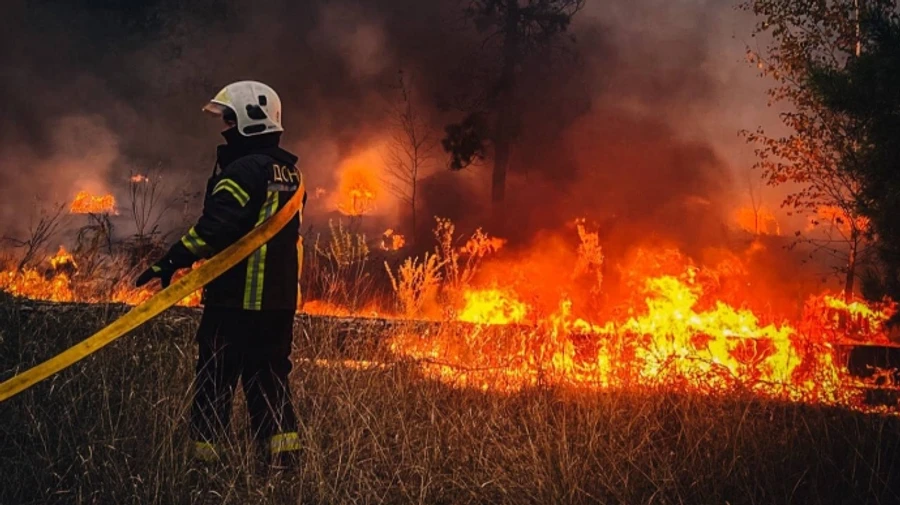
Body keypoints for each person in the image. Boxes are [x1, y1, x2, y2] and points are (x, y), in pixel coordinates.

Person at [136, 81, 306, 467]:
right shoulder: (292, 174)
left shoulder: (242, 172)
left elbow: (212, 230)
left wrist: (171, 261)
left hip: (236, 301)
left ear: (248, 121)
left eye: (228, 120)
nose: (224, 129)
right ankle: (283, 464)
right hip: (279, 304)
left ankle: (206, 464)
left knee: (215, 379)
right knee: (270, 380)